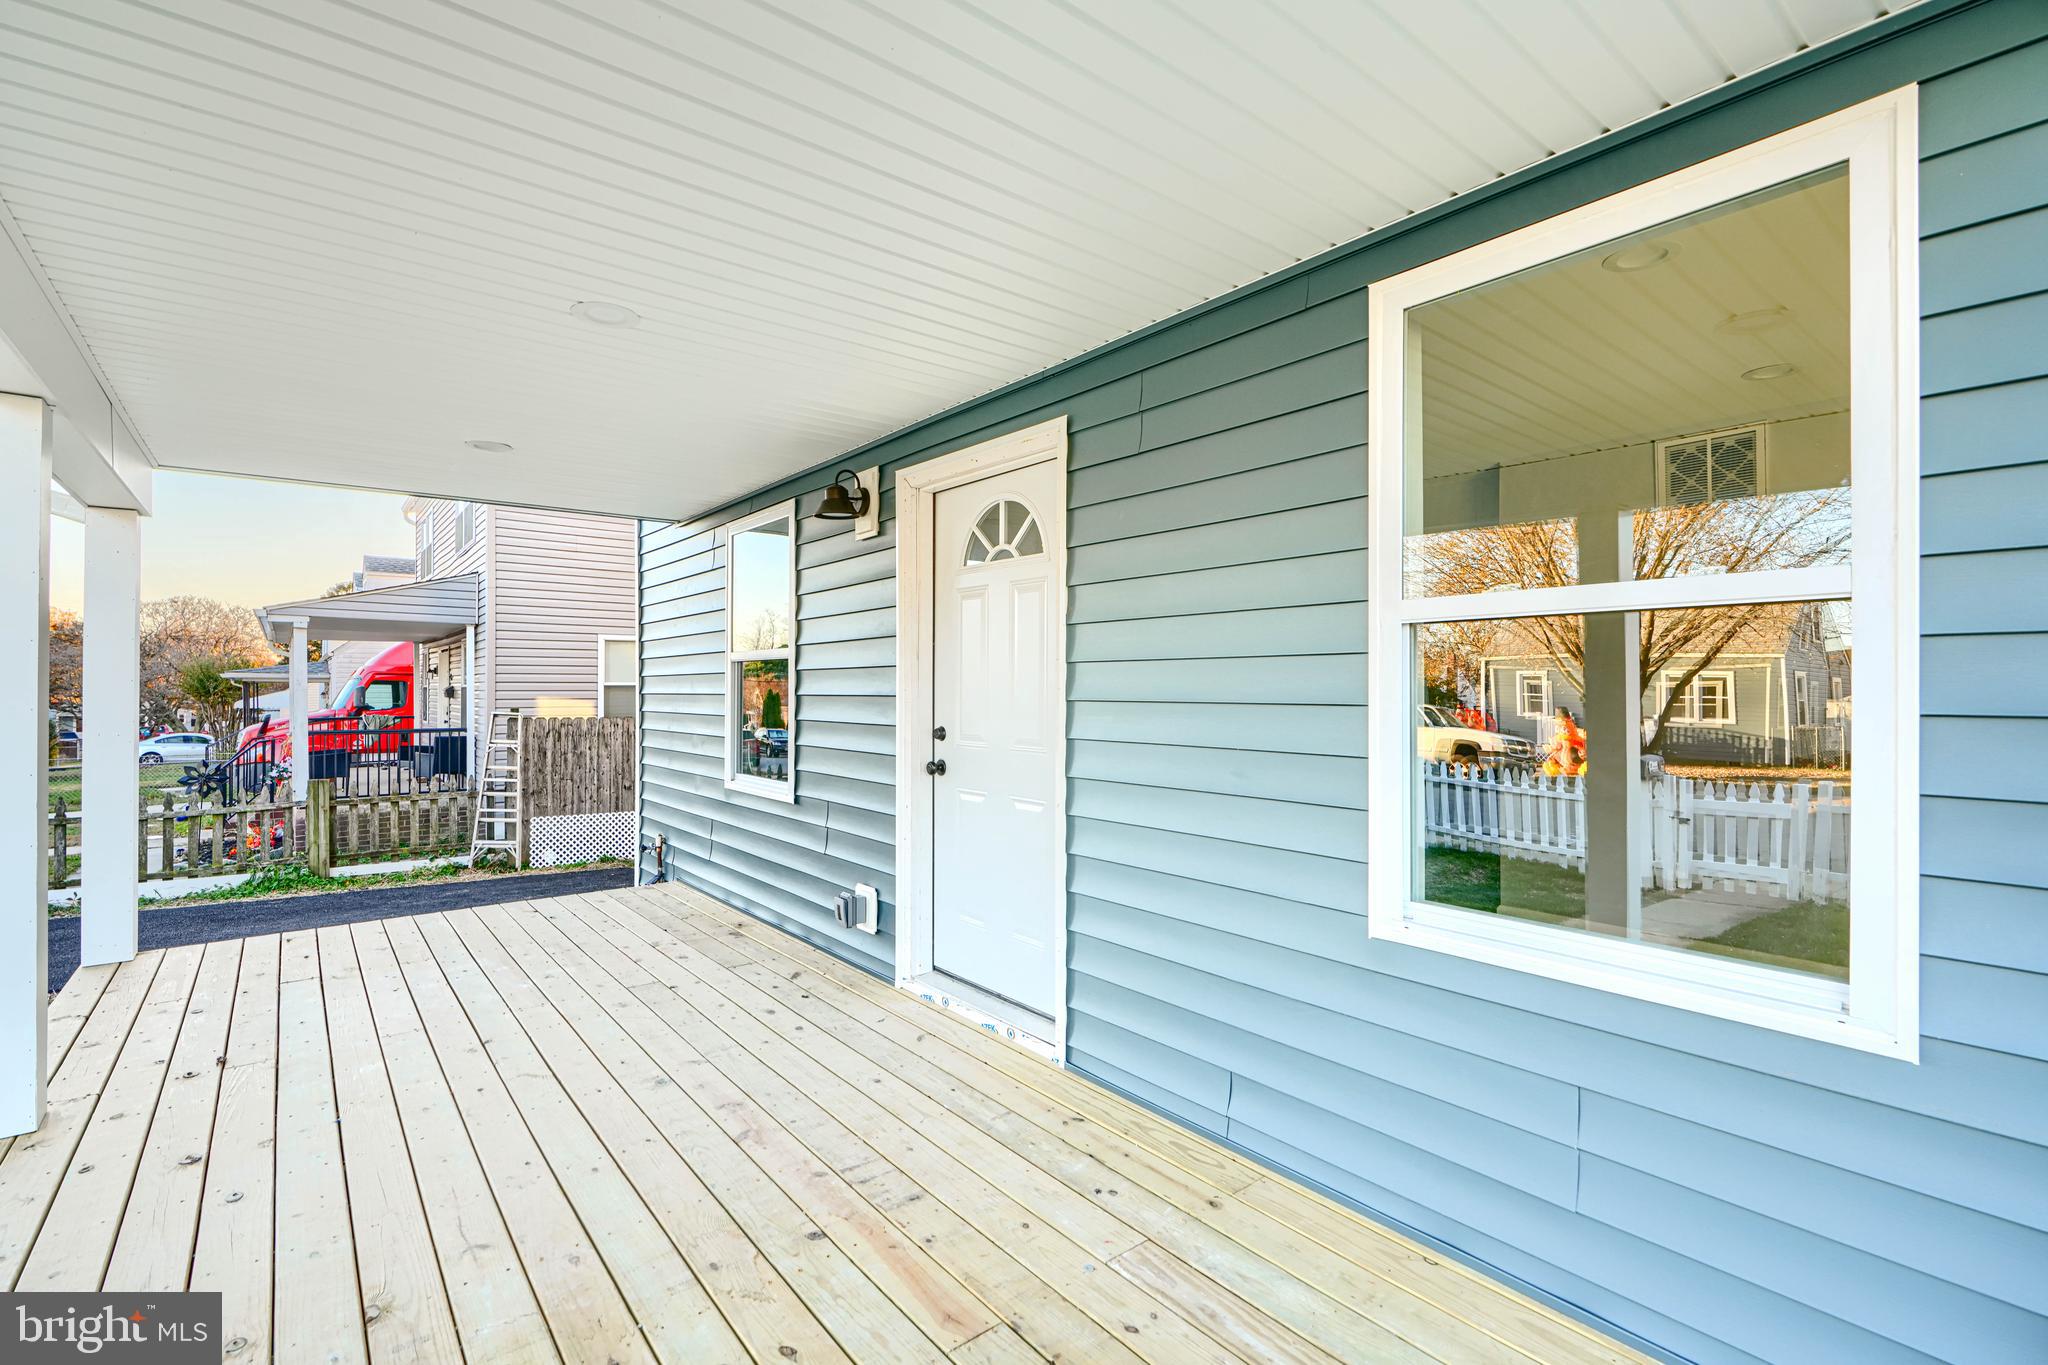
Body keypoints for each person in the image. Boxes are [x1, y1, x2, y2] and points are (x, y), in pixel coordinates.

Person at [1543, 706, 1587, 777]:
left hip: (1573, 757)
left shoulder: (1572, 732)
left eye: (1564, 727)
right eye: (1559, 727)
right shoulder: (1559, 738)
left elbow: (1576, 739)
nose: (1563, 729)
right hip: (1566, 760)